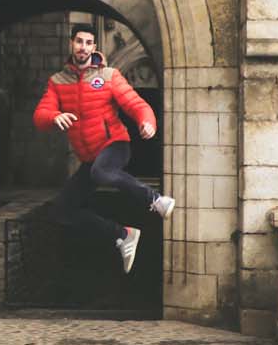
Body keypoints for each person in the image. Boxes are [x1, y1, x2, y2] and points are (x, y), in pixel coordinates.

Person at [33, 24, 174, 273]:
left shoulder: (108, 75)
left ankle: (155, 200)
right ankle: (122, 235)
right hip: (91, 158)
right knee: (62, 210)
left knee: (103, 172)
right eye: (79, 42)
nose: (83, 47)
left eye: (88, 43)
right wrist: (54, 116)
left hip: (115, 145)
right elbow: (40, 114)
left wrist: (147, 121)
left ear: (94, 47)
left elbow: (135, 104)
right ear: (71, 44)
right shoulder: (58, 81)